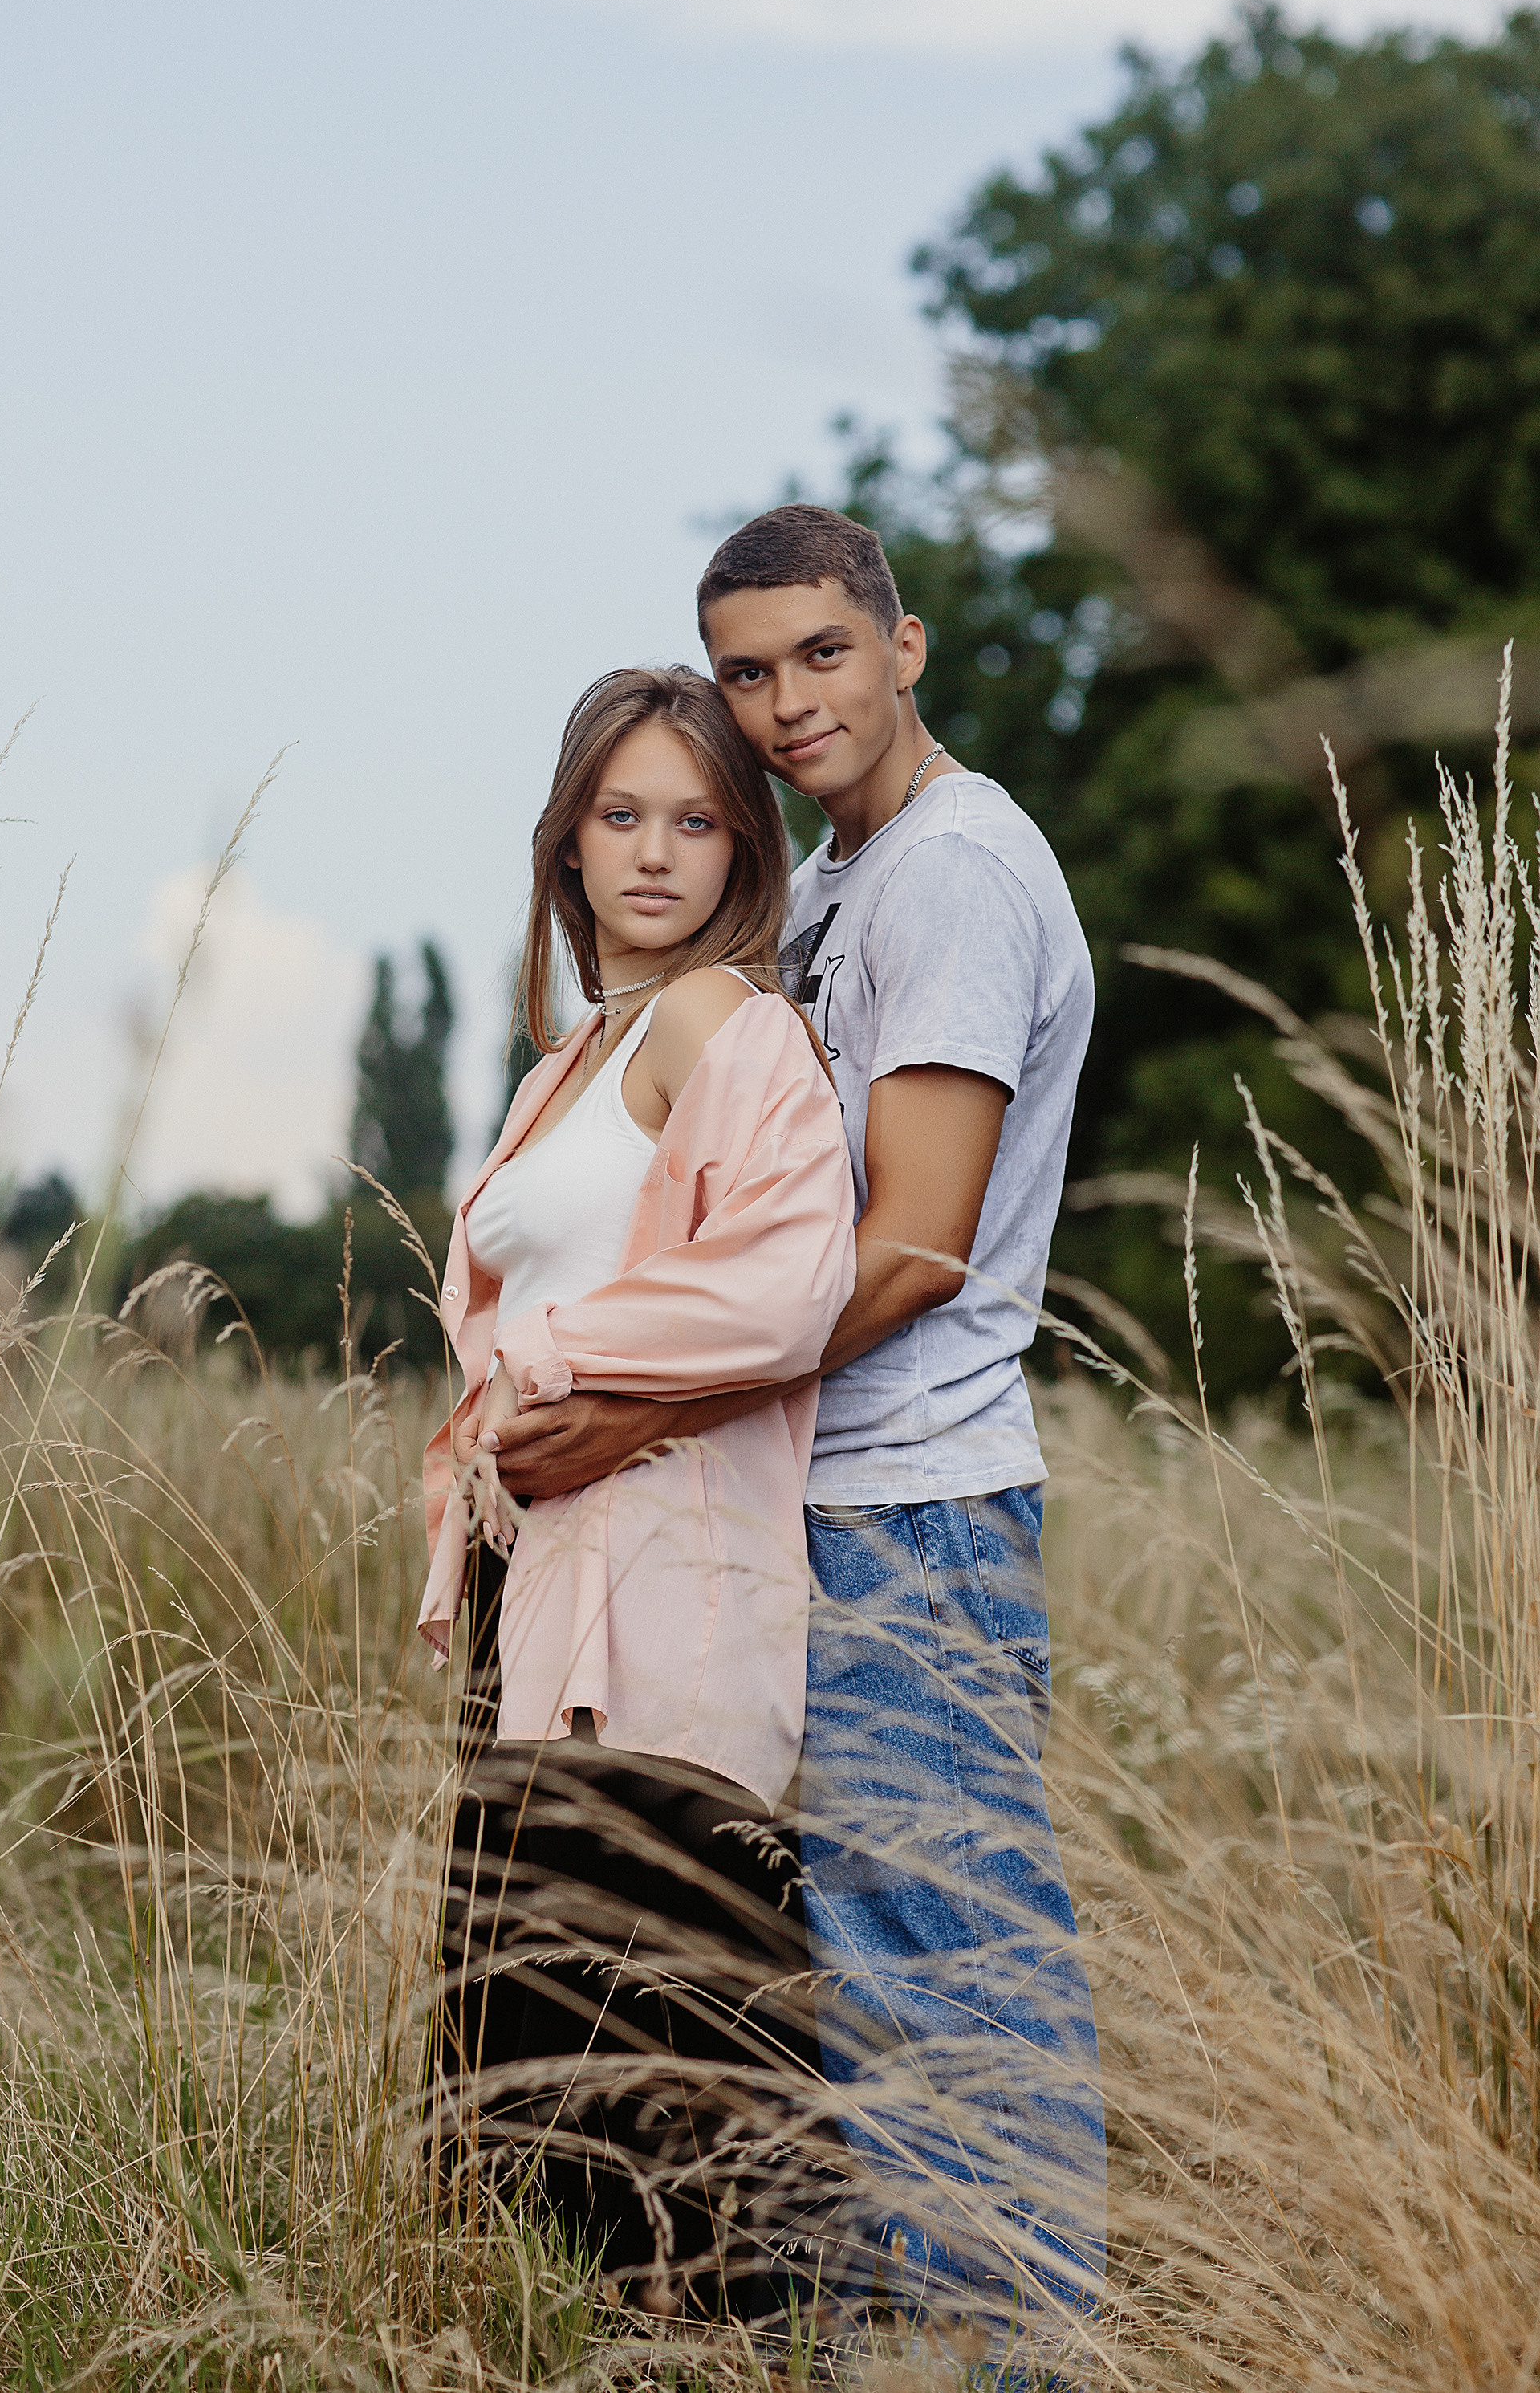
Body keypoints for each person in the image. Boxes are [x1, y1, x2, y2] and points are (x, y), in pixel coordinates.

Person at [481, 508, 1107, 2367]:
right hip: (790, 1506)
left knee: (951, 1965)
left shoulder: (957, 876)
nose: (783, 701)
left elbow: (910, 1240)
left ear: (905, 646)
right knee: (809, 1979)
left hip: (909, 1509)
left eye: (821, 654)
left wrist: (630, 1418)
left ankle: (1015, 2362)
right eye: (747, 670)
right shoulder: (837, 887)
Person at [417, 665, 855, 2317]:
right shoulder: (563, 1071)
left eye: (696, 819)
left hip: (677, 1583)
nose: (656, 853)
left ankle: (745, 2344)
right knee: (542, 2057)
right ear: (570, 842)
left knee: (679, 2048)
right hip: (545, 1594)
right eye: (622, 816)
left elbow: (787, 1283)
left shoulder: (730, 1029)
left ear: (746, 848)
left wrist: (550, 1367)